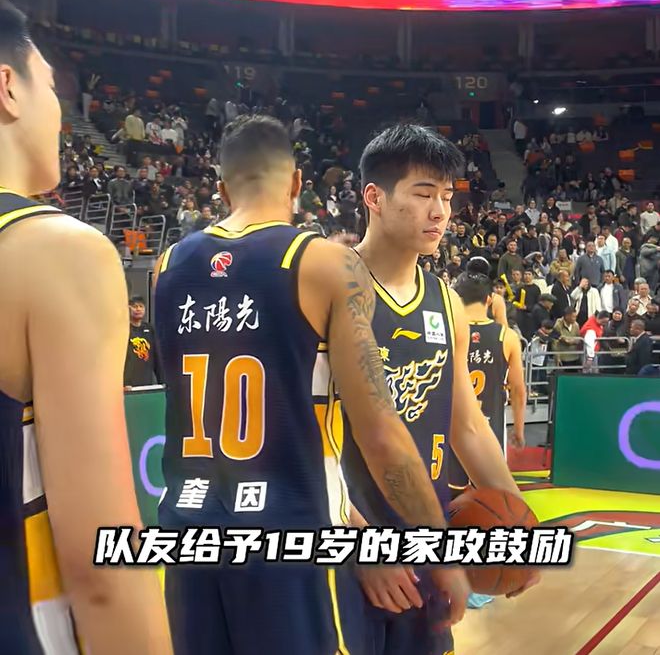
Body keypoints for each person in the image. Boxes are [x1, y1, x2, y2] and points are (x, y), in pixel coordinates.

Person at [153, 116, 476, 655]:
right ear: (298, 182)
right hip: (292, 540)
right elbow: (381, 435)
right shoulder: (325, 262)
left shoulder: (166, 266)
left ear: (221, 188)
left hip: (189, 536)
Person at [0, 1, 172, 653]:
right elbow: (103, 567)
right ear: (8, 87)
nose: (59, 110)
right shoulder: (55, 252)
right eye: (51, 86)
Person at [339, 124, 537, 655]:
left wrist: (522, 528)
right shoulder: (330, 287)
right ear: (374, 197)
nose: (440, 212)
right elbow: (300, 440)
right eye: (424, 194)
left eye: (447, 197)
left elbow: (466, 425)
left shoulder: (445, 301)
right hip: (348, 537)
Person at [448, 271, 527, 492]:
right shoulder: (507, 336)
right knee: (490, 499)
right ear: (490, 300)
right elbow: (518, 390)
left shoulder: (445, 331)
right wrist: (519, 430)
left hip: (450, 428)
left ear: (457, 298)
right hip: (488, 428)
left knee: (448, 499)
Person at [124, 295, 163, 387]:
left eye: (141, 306)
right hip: (128, 385)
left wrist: (162, 381)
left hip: (146, 383)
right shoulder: (123, 330)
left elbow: (157, 358)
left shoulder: (150, 329)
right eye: (135, 306)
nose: (138, 309)